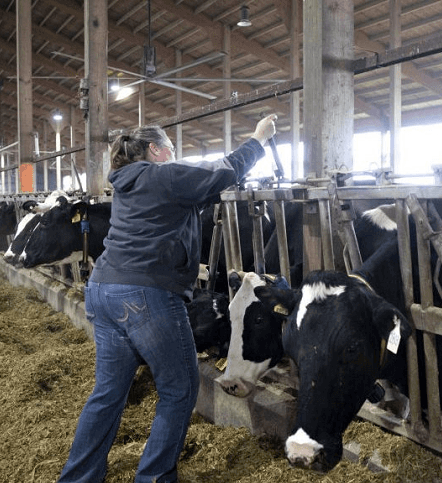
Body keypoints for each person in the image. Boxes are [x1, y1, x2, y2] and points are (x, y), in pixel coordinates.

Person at [58, 114, 277, 483]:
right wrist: (258, 140)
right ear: (156, 151)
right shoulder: (163, 175)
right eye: (171, 149)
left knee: (108, 392)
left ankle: (79, 477)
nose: (174, 156)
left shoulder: (126, 182)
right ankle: (155, 477)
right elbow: (222, 172)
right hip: (144, 295)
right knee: (179, 389)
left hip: (102, 289)